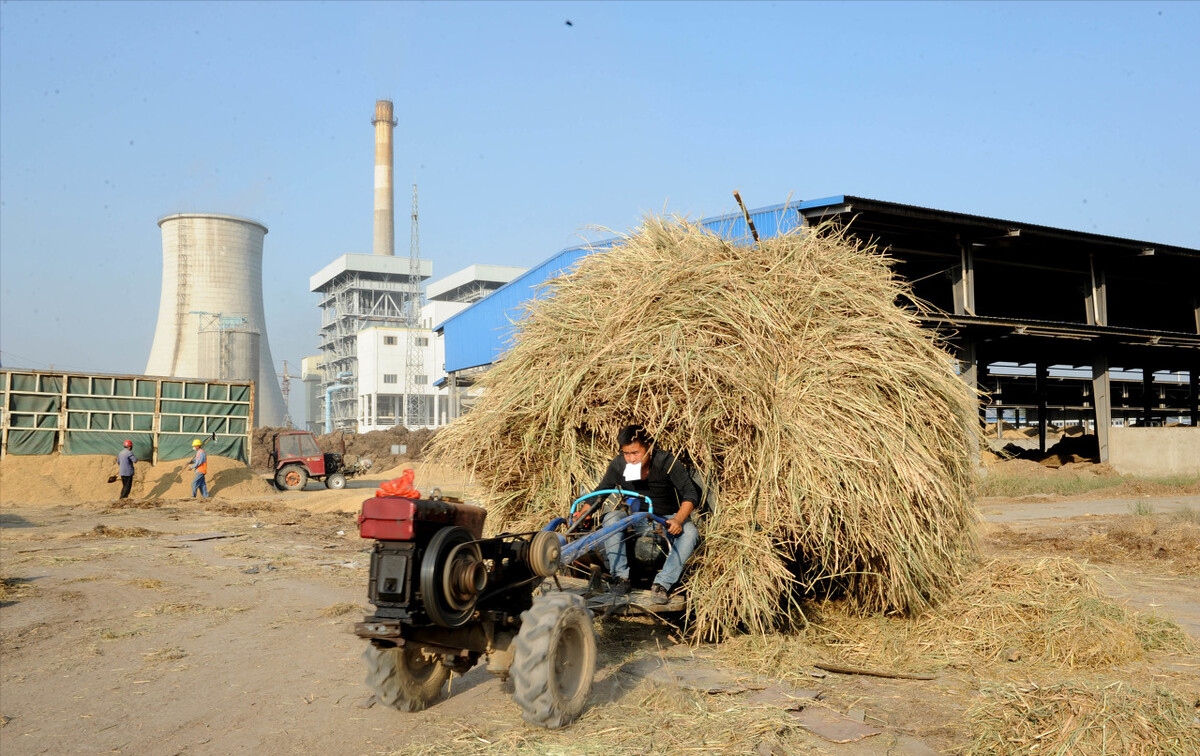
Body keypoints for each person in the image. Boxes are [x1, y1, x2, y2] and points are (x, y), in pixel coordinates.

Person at [591, 424, 700, 604]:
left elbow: (690, 493)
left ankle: (662, 584)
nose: (631, 459)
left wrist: (678, 519)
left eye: (636, 453)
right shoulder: (619, 465)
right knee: (611, 518)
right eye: (627, 454)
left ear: (649, 446)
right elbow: (600, 493)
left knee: (690, 532)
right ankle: (621, 578)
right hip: (636, 519)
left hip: (665, 519)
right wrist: (583, 512)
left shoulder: (666, 462)